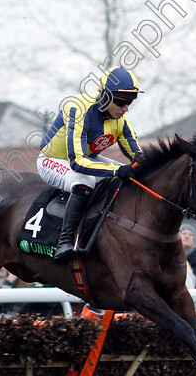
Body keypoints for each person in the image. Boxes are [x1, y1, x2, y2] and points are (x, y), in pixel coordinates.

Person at [38, 66, 144, 262]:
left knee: (130, 176)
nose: (126, 108)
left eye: (130, 102)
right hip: (53, 160)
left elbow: (139, 158)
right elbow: (77, 162)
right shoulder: (77, 108)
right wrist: (117, 170)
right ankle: (64, 241)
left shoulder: (122, 120)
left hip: (87, 158)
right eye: (121, 102)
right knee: (84, 181)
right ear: (104, 96)